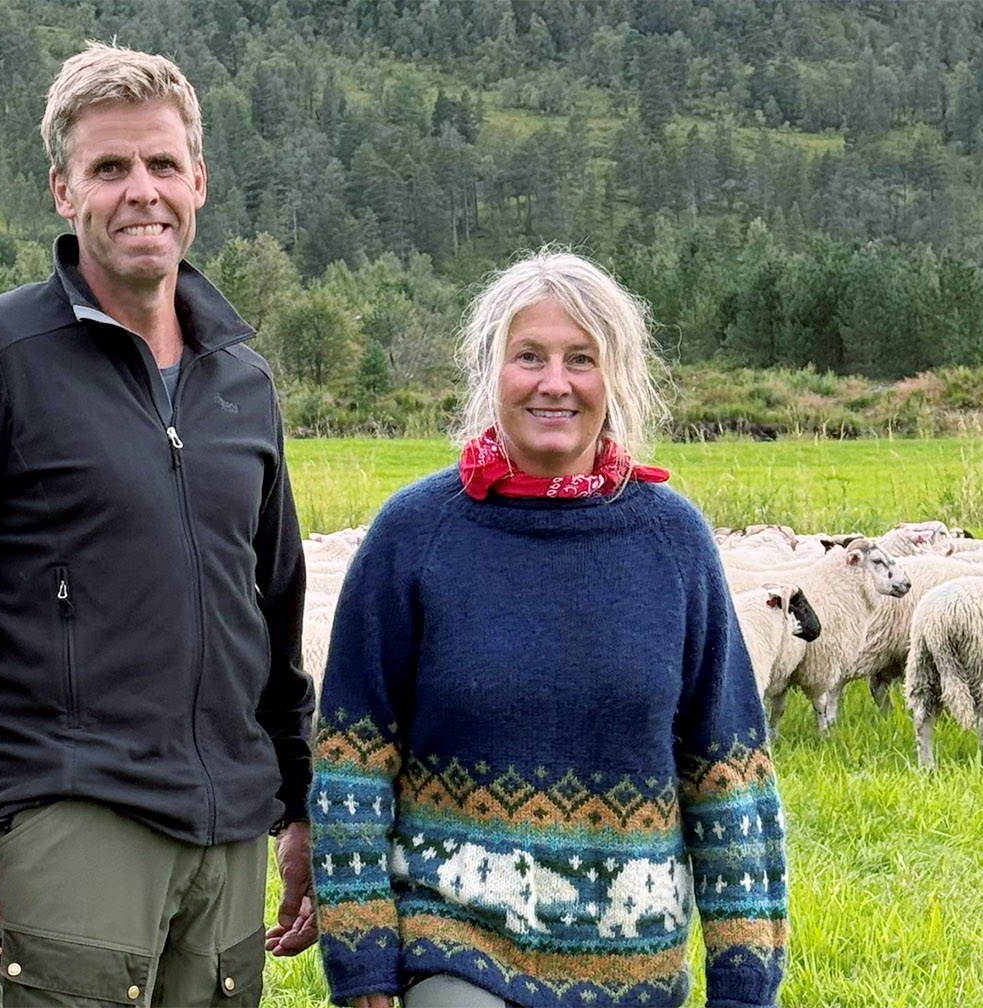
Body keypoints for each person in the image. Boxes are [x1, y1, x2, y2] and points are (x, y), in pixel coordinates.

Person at [0, 41, 317, 1007]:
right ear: (64, 190)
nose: (142, 191)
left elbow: (273, 613)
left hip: (228, 840)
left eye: (162, 164)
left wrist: (300, 802)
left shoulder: (243, 379)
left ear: (199, 181)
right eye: (109, 167)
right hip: (73, 820)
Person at [309, 251, 789, 1008]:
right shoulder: (416, 535)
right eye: (529, 356)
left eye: (581, 359)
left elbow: (728, 778)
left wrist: (744, 982)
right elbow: (352, 760)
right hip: (457, 948)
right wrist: (361, 956)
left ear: (615, 376)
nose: (554, 382)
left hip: (633, 969)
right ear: (490, 371)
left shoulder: (673, 543)